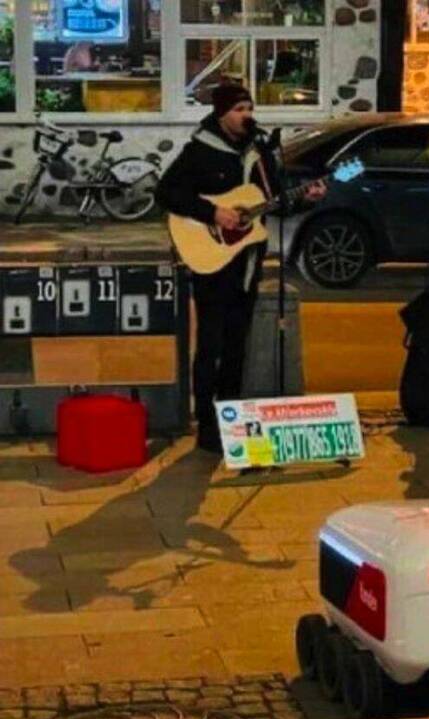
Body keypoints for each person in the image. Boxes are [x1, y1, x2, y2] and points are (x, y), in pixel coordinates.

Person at [155, 82, 325, 453]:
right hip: (212, 261)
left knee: (237, 346)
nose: (246, 115)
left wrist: (306, 200)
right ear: (221, 114)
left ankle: (230, 421)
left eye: (249, 108)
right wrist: (213, 212)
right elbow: (166, 193)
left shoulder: (260, 152)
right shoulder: (200, 151)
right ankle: (206, 426)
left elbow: (274, 202)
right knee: (211, 345)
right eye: (238, 109)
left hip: (247, 262)